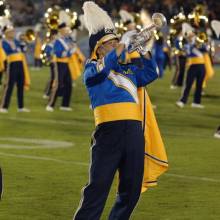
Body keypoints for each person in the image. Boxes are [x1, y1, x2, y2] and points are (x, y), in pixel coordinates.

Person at [73, 2, 159, 220]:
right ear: (98, 47)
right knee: (98, 188)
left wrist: (143, 50)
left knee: (131, 190)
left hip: (133, 133)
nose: (116, 44)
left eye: (116, 41)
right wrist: (122, 46)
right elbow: (103, 70)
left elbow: (152, 73)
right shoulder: (91, 69)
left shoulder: (127, 69)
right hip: (108, 133)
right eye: (111, 42)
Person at [0, 24, 30, 113]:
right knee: (9, 85)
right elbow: (7, 52)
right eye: (11, 32)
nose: (13, 33)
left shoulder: (16, 41)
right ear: (6, 33)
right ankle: (4, 107)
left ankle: (21, 107)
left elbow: (23, 49)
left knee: (21, 85)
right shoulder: (3, 42)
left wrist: (25, 42)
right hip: (11, 64)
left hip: (20, 64)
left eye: (13, 31)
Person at [46, 22, 76, 112]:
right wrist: (70, 51)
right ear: (62, 31)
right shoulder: (58, 41)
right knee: (58, 84)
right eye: (66, 30)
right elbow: (59, 53)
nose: (68, 31)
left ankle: (65, 105)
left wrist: (71, 49)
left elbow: (71, 49)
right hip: (59, 64)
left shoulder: (67, 40)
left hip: (66, 63)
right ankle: (50, 105)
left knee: (69, 84)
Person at [176, 24, 205, 109]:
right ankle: (182, 101)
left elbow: (205, 49)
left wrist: (200, 43)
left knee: (199, 85)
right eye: (189, 33)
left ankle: (196, 102)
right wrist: (193, 44)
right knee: (188, 84)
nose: (191, 34)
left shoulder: (198, 40)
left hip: (202, 65)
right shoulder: (186, 44)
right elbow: (188, 53)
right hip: (193, 65)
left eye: (192, 32)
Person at [42, 30, 57, 99]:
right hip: (52, 62)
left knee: (55, 78)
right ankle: (47, 92)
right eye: (55, 35)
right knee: (53, 77)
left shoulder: (56, 43)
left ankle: (52, 92)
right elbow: (47, 54)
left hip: (57, 62)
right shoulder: (49, 44)